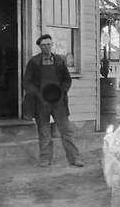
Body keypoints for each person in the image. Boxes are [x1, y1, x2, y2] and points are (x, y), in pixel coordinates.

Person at [22, 34, 83, 168]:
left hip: (58, 102)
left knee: (66, 130)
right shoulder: (34, 62)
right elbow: (27, 83)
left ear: (52, 45)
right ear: (39, 46)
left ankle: (75, 158)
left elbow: (67, 79)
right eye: (44, 45)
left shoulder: (59, 61)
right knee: (44, 132)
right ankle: (45, 158)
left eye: (49, 44)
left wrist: (62, 92)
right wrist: (37, 94)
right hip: (41, 103)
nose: (47, 47)